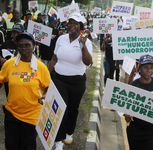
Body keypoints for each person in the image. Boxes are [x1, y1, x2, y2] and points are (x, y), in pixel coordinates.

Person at [48, 12, 92, 150]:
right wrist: (47, 76)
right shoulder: (61, 39)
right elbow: (54, 59)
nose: (72, 25)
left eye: (75, 23)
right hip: (59, 79)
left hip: (77, 82)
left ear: (80, 27)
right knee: (60, 108)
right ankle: (58, 140)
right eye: (70, 23)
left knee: (73, 109)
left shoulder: (86, 41)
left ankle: (69, 132)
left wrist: (83, 45)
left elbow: (88, 62)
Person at [0, 32, 51, 150]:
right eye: (20, 46)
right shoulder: (9, 64)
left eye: (27, 45)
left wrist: (45, 95)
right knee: (11, 146)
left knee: (28, 146)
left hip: (32, 116)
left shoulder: (40, 67)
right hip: (12, 113)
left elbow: (48, 87)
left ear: (33, 47)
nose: (23, 48)